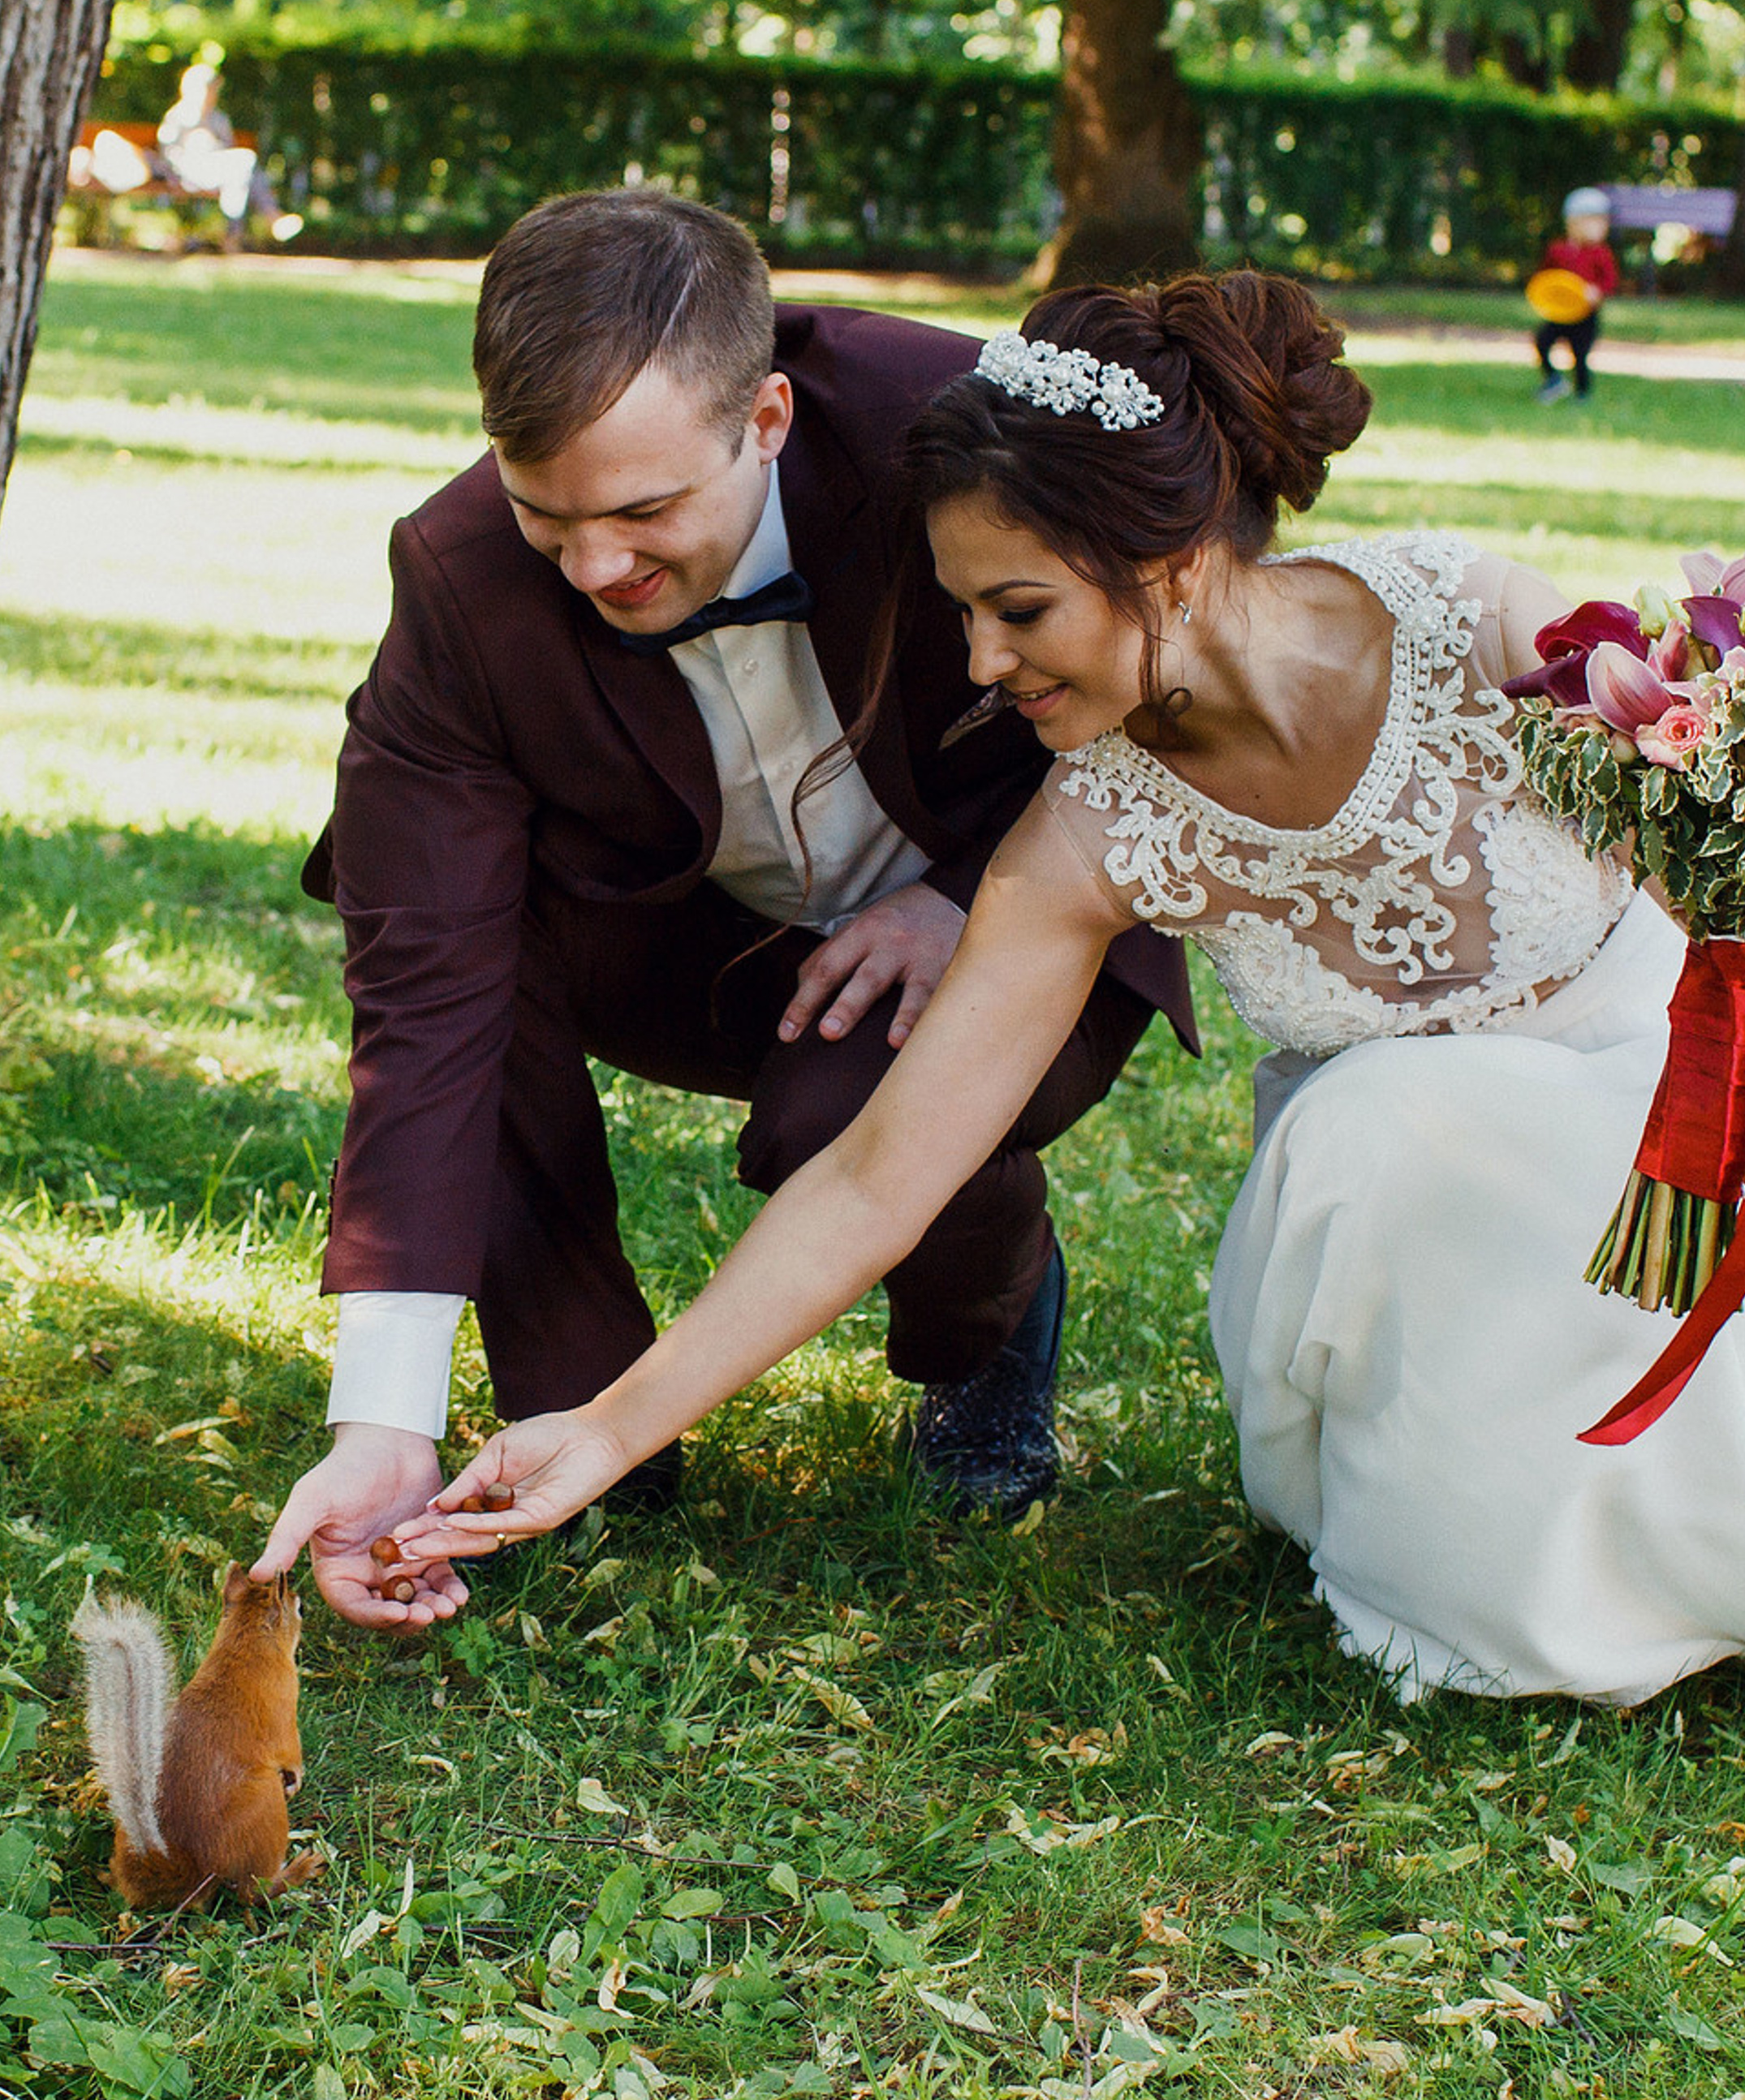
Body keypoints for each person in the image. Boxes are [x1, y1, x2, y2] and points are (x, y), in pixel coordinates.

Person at [386, 266, 1745, 1706]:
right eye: (963, 615)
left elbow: (1706, 829)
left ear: (1169, 560)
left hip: (1686, 1119)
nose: (981, 664)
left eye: (1018, 610)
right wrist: (609, 1430)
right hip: (1412, 1251)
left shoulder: (1478, 626)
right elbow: (877, 1177)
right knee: (1390, 1128)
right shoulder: (1084, 840)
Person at [252, 190, 1192, 1634]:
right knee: (466, 965)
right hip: (692, 934)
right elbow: (419, 991)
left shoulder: (956, 426)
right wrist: (380, 1413)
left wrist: (971, 901)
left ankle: (987, 1341)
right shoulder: (455, 576)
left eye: (642, 515)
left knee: (844, 1122)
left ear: (765, 417)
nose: (595, 571)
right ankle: (573, 1426)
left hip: (1003, 898)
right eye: (545, 516)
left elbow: (1180, 640)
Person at [156, 63, 302, 247]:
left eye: (214, 90)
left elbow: (228, 147)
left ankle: (238, 233)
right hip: (189, 174)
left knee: (244, 174)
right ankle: (265, 221)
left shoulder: (219, 118)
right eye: (209, 89)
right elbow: (167, 154)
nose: (212, 95)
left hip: (220, 172)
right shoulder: (178, 117)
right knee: (247, 165)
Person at [1533, 186, 1618, 405]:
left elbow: (1609, 282)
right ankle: (1553, 380)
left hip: (1585, 315)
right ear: (1573, 223)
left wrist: (1597, 292)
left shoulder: (1601, 253)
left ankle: (1582, 393)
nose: (1601, 227)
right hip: (1560, 311)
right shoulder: (1558, 250)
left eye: (1603, 222)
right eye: (1594, 221)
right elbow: (1544, 276)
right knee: (1542, 341)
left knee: (1580, 354)